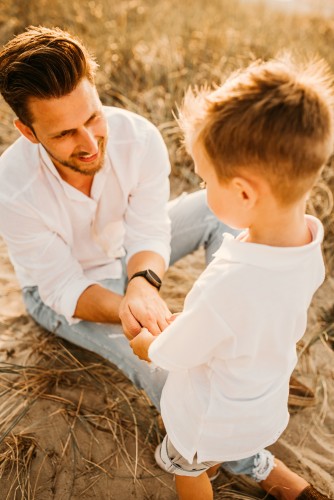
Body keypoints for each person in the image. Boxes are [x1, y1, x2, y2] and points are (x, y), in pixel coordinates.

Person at [0, 26, 236, 410]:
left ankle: (232, 337)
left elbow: (149, 229)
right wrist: (130, 306)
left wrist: (142, 284)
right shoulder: (11, 188)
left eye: (93, 117)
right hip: (67, 293)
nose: (90, 144)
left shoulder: (139, 138)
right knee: (162, 362)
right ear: (28, 132)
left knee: (217, 207)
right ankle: (253, 462)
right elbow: (60, 286)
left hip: (127, 254)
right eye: (64, 134)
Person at [130, 56, 333, 500]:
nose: (203, 191)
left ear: (243, 192)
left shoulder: (231, 282)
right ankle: (269, 473)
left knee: (186, 465)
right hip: (261, 406)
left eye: (205, 181)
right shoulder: (306, 245)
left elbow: (178, 351)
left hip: (209, 417)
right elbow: (246, 322)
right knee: (234, 445)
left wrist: (149, 346)